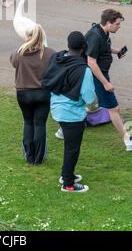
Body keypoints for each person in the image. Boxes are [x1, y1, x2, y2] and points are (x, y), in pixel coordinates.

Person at [42, 31, 96, 193]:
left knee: (69, 146)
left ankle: (66, 174)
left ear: (68, 45)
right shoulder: (83, 69)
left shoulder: (57, 58)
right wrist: (94, 105)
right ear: (83, 48)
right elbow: (89, 97)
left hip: (56, 109)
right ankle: (68, 184)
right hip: (72, 114)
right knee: (72, 148)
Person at [85, 9, 132, 151]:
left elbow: (102, 47)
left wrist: (116, 51)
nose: (119, 26)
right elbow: (91, 61)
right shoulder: (95, 36)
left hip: (102, 74)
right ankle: (127, 139)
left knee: (90, 102)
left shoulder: (102, 32)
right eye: (117, 24)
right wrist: (105, 83)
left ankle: (64, 129)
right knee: (113, 108)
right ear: (107, 23)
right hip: (98, 75)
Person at [10, 24, 55, 165]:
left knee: (28, 122)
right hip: (43, 93)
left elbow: (14, 63)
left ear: (27, 36)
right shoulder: (50, 54)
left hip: (23, 93)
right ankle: (39, 158)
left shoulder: (18, 53)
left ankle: (29, 156)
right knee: (40, 124)